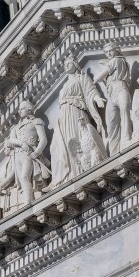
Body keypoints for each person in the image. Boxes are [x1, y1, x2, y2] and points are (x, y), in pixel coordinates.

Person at [47, 55, 107, 189]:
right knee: (63, 142)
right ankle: (70, 174)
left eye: (69, 63)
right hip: (64, 115)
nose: (66, 65)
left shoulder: (81, 78)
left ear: (75, 65)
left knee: (78, 136)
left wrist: (97, 99)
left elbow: (90, 90)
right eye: (65, 64)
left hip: (76, 112)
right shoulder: (65, 85)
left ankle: (80, 169)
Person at [0, 100, 50, 206]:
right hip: (17, 155)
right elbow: (11, 140)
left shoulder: (36, 121)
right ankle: (27, 200)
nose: (20, 111)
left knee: (24, 177)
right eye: (19, 109)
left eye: (22, 108)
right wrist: (21, 143)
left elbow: (43, 140)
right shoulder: (16, 127)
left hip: (28, 154)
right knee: (20, 180)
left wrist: (37, 152)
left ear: (29, 109)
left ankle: (28, 202)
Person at [92, 43, 132, 155]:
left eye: (111, 51)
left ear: (117, 50)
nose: (109, 53)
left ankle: (126, 140)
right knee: (111, 122)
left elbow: (98, 78)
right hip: (112, 93)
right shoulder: (116, 62)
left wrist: (100, 73)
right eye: (106, 52)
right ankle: (115, 151)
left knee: (123, 114)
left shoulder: (116, 60)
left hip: (120, 88)